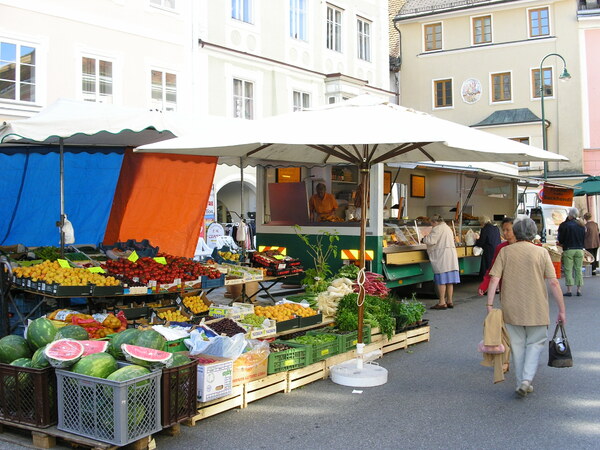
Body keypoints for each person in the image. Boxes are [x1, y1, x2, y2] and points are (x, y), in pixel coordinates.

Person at [487, 218, 566, 398]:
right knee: (535, 343)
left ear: (515, 231)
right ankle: (526, 380)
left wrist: (490, 304)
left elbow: (494, 279)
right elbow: (553, 282)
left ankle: (520, 382)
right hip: (536, 306)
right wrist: (562, 310)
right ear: (533, 232)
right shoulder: (541, 253)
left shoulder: (505, 252)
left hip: (511, 306)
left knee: (517, 345)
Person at [423, 215, 460, 309]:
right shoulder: (448, 228)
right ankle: (450, 301)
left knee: (441, 280)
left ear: (435, 222)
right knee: (449, 281)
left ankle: (442, 302)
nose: (431, 225)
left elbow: (431, 240)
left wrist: (424, 239)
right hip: (450, 256)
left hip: (442, 257)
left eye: (431, 223)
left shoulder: (437, 229)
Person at [478, 217, 515, 296]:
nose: (504, 233)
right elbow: (492, 268)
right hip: (507, 290)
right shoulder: (500, 247)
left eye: (507, 230)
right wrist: (485, 284)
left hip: (522, 288)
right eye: (503, 230)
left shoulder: (525, 246)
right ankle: (497, 288)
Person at [557, 207, 585, 296]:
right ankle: (579, 290)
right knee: (578, 269)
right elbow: (584, 238)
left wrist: (561, 243)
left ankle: (569, 290)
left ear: (570, 215)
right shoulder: (581, 225)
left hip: (569, 249)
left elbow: (561, 239)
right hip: (580, 250)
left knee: (568, 269)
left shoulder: (565, 225)